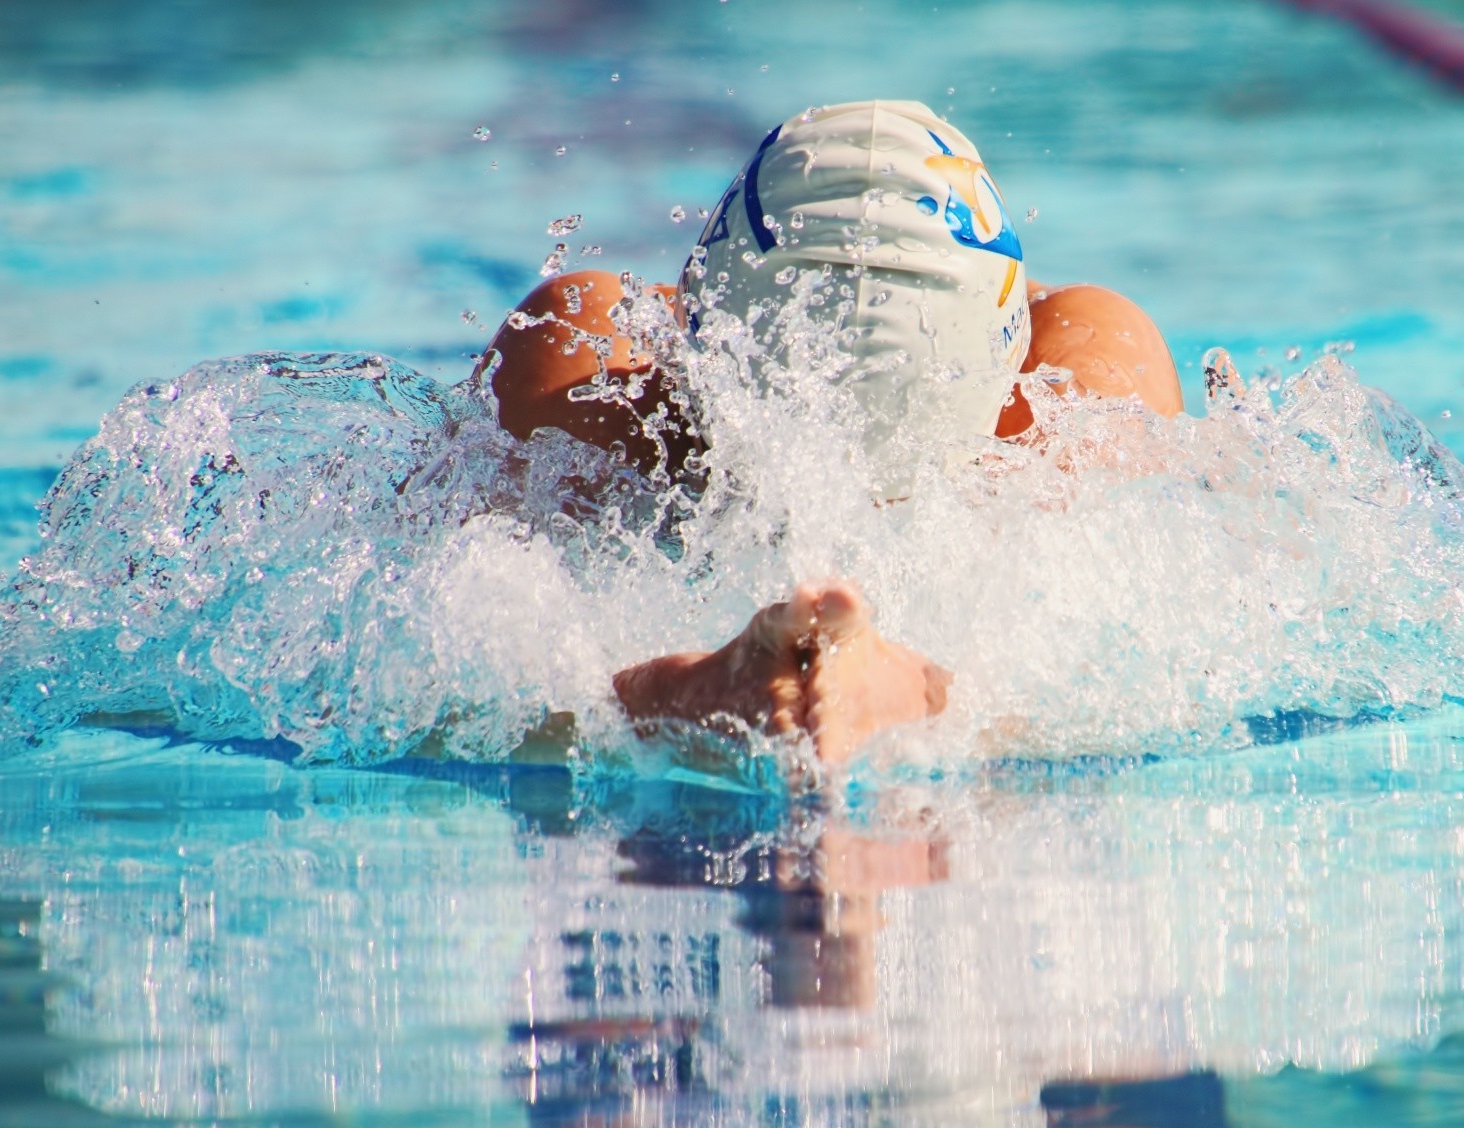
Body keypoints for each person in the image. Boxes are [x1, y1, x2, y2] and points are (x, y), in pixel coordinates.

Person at [478, 100, 1184, 766]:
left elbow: (436, 657)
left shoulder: (585, 354)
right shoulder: (1093, 372)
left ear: (699, 300)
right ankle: (911, 694)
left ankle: (741, 692)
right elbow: (1150, 684)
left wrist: (651, 698)